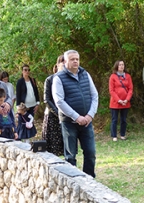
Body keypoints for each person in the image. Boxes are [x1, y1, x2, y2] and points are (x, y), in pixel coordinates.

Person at [52, 49, 99, 177]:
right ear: (65, 61)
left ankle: (89, 180)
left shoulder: (85, 74)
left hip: (86, 122)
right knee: (70, 155)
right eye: (72, 59)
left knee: (90, 152)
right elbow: (59, 102)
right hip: (69, 123)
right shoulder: (58, 78)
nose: (75, 61)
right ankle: (73, 181)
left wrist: (90, 115)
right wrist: (76, 117)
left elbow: (94, 96)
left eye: (77, 59)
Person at [42, 55, 66, 156]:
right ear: (58, 64)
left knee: (67, 148)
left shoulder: (70, 79)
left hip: (66, 116)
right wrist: (58, 112)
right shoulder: (50, 79)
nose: (65, 64)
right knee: (52, 150)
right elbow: (46, 99)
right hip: (52, 116)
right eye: (62, 62)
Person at [109, 60, 133, 142]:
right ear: (116, 66)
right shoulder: (113, 76)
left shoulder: (128, 76)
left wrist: (127, 99)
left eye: (123, 65)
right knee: (114, 119)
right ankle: (114, 135)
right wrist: (118, 100)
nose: (121, 66)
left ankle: (122, 134)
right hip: (115, 102)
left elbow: (130, 89)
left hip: (126, 102)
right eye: (120, 65)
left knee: (124, 119)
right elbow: (111, 90)